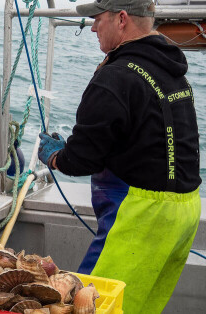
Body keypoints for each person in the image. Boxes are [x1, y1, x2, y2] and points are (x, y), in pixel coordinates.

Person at [37, 0, 201, 312]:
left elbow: (82, 159)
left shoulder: (114, 77)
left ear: (121, 19)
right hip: (184, 214)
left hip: (140, 216)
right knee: (138, 307)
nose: (94, 28)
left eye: (98, 19)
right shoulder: (174, 73)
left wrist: (55, 157)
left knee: (91, 305)